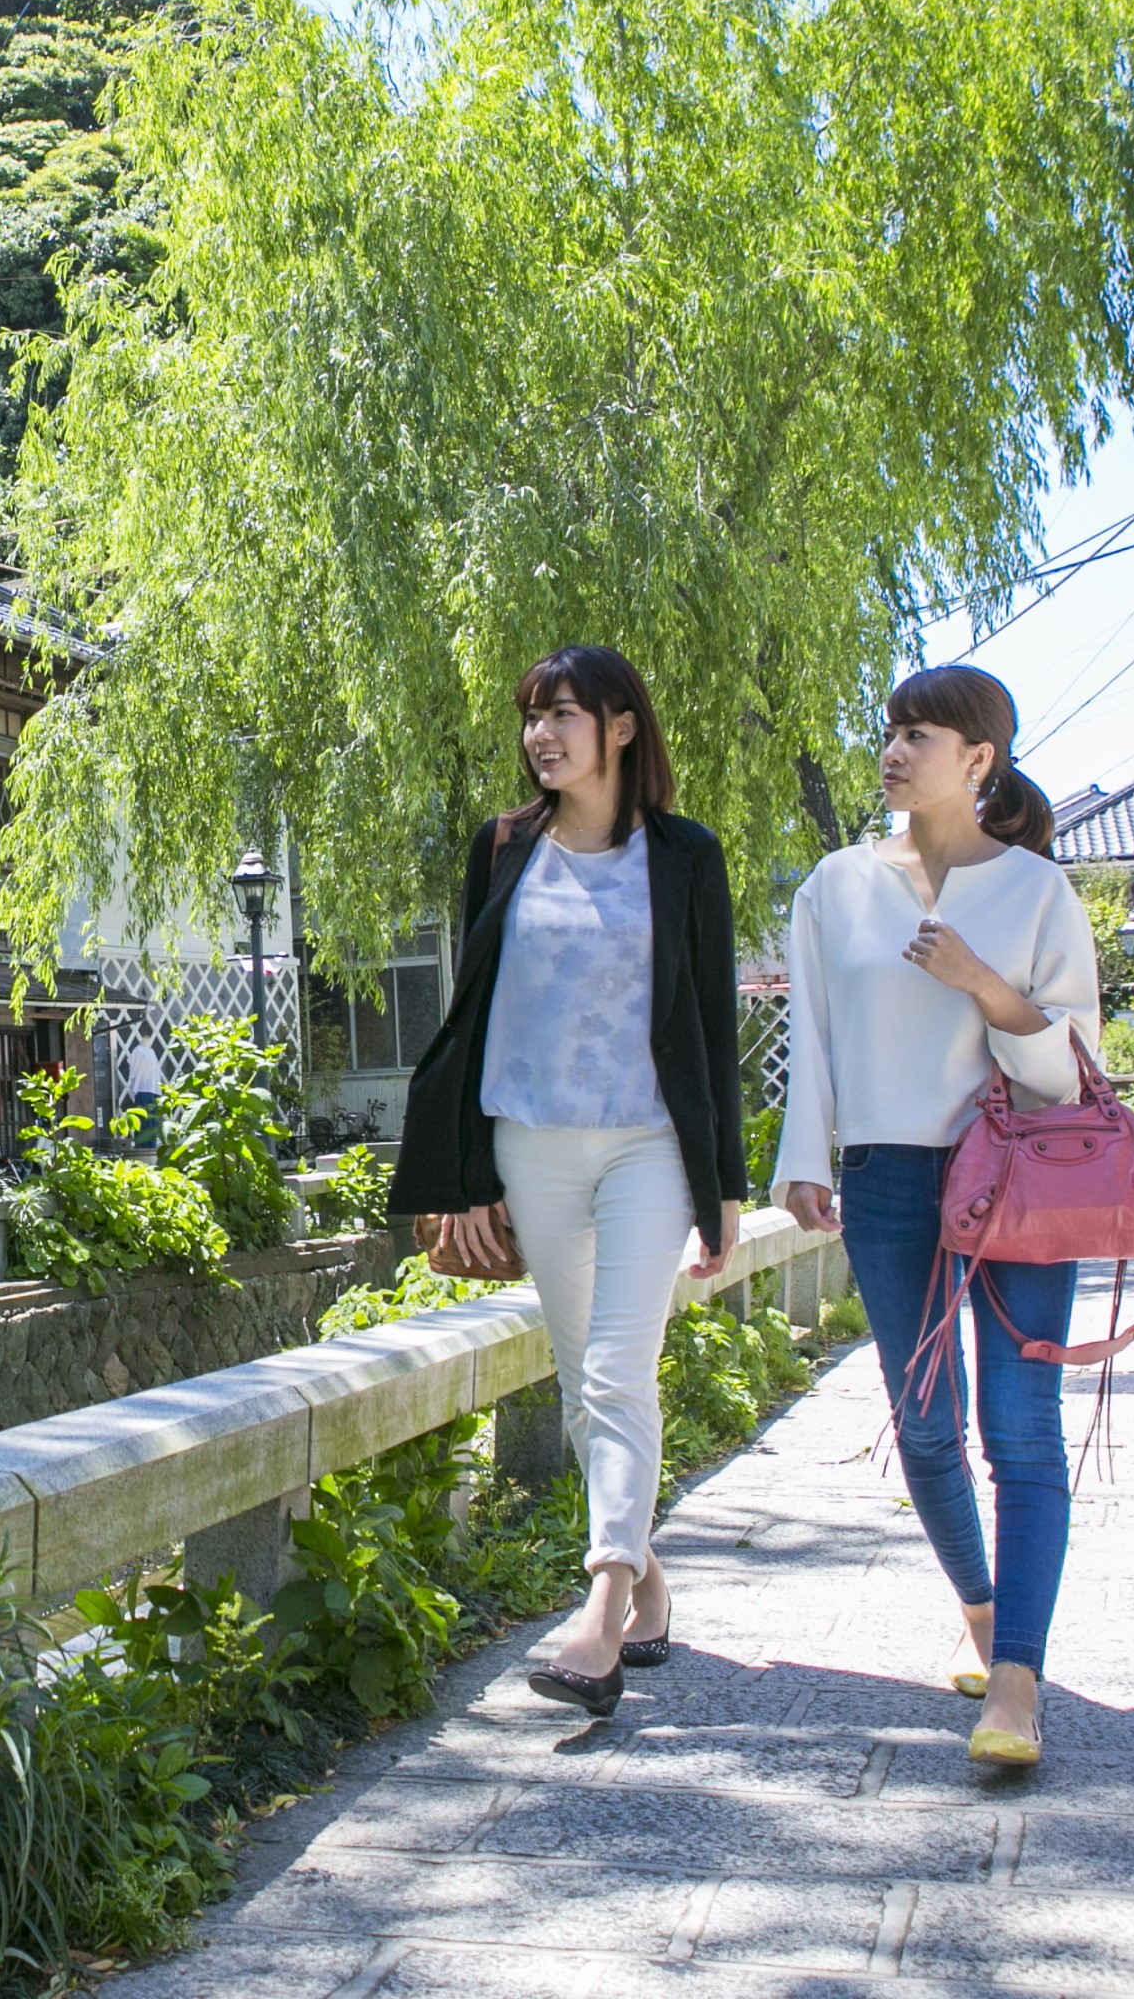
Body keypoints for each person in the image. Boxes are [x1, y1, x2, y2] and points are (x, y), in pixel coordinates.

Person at [392, 646, 746, 1719]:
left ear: (622, 728)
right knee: (583, 1367)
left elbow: (712, 1025)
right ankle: (648, 1586)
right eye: (532, 719)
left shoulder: (685, 856)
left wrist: (721, 1182)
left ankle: (595, 1616)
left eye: (563, 715)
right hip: (530, 1144)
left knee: (616, 1366)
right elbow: (473, 1014)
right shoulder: (503, 847)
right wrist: (461, 1177)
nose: (541, 736)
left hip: (647, 1144)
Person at [773, 664, 1101, 1768]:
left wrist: (982, 982)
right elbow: (810, 1036)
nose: (896, 749)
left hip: (1018, 1175)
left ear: (980, 759)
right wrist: (803, 1157)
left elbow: (1070, 1074)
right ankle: (981, 1609)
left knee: (1021, 1429)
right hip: (887, 1179)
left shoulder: (1036, 892)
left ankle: (1017, 1685)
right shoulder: (835, 885)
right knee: (923, 1423)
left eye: (922, 734)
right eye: (892, 730)